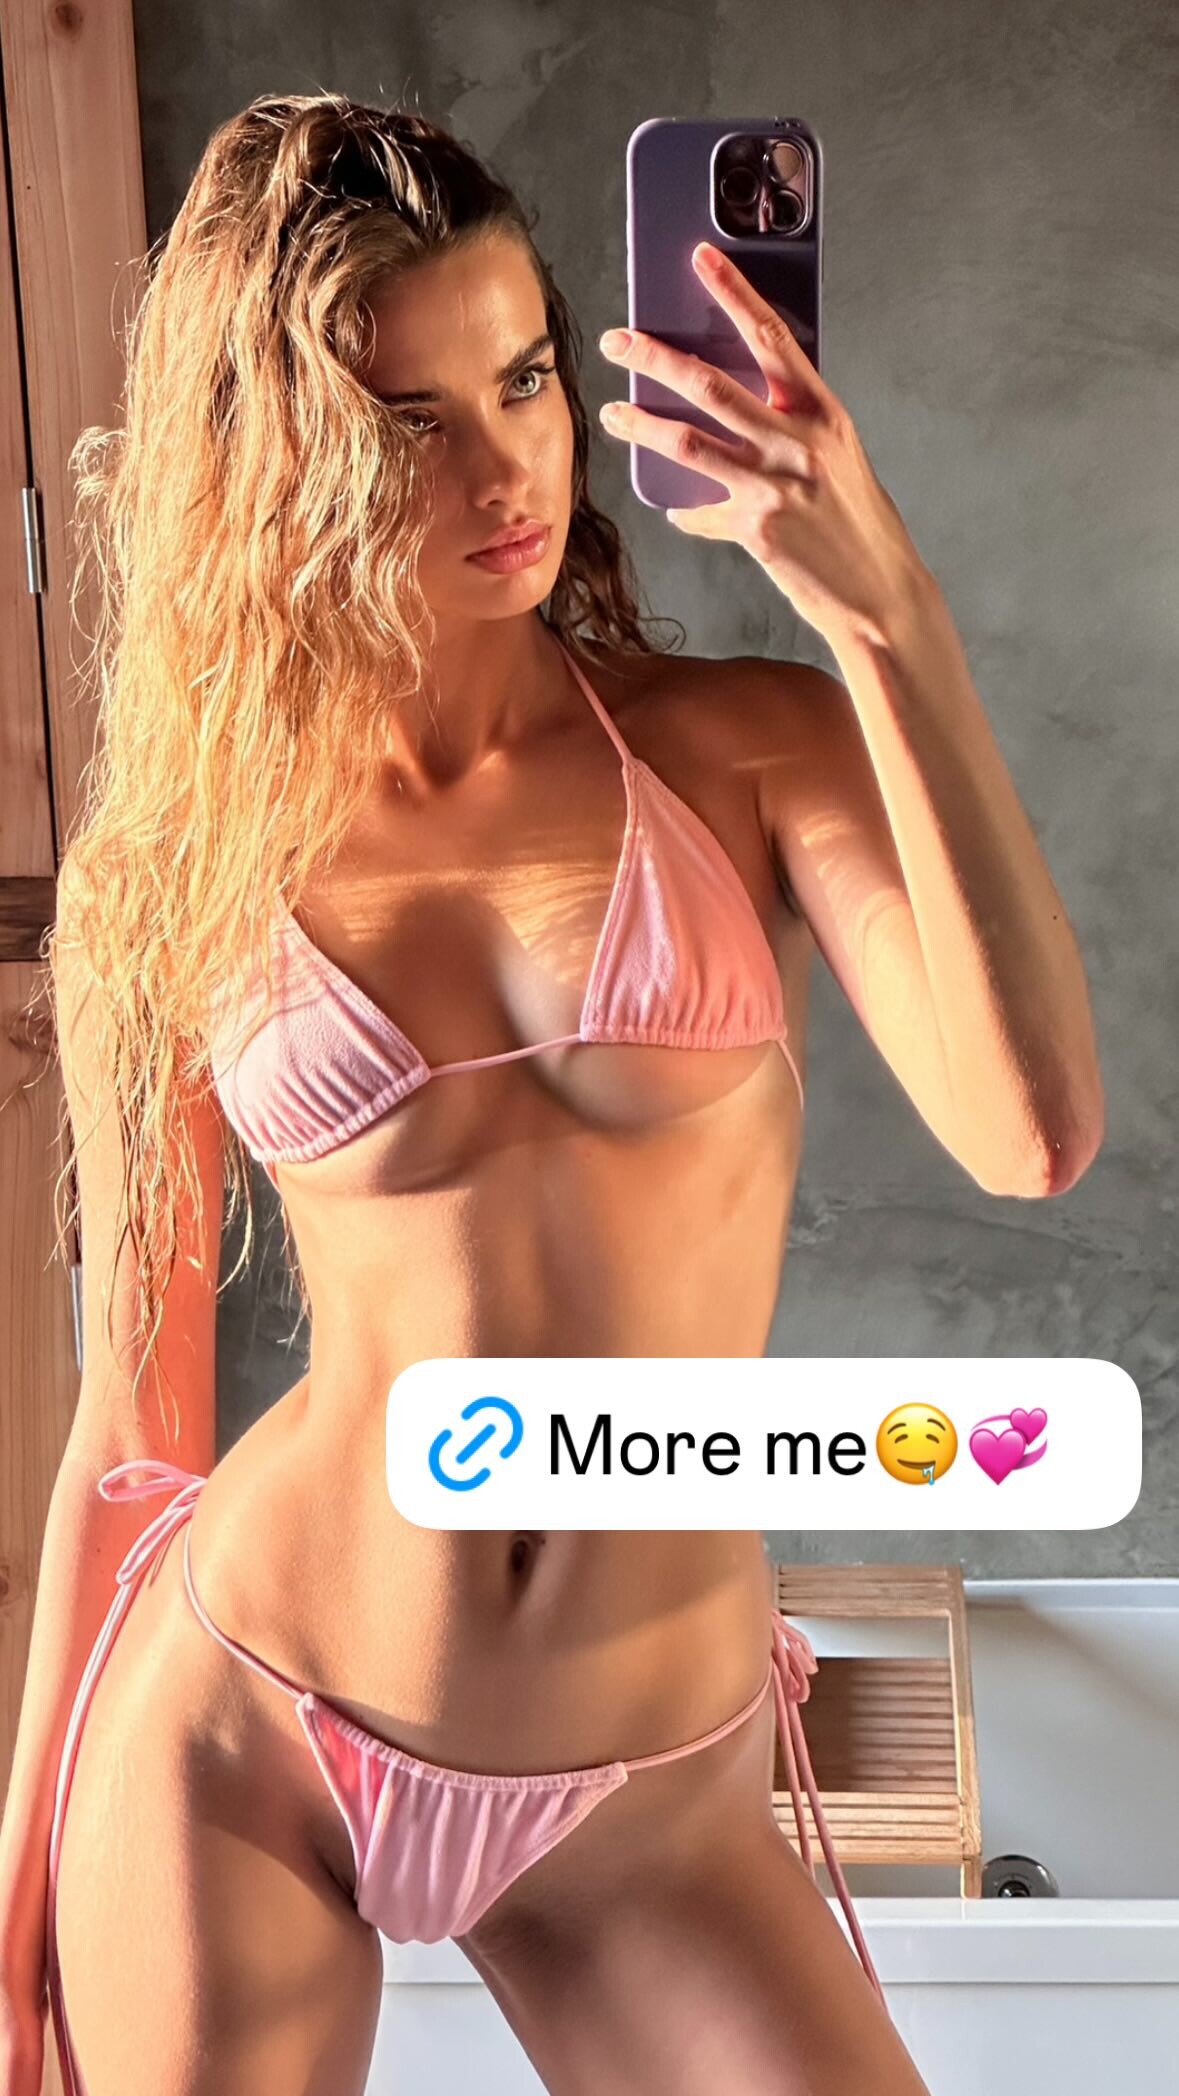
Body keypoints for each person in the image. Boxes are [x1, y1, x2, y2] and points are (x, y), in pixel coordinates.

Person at [0, 94, 1102, 2096]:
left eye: (522, 378)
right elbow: (131, 1430)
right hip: (247, 1724)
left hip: (646, 1789)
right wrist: (15, 1872)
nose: (506, 465)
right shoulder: (169, 869)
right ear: (281, 456)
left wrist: (882, 610)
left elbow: (1028, 1133)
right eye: (411, 421)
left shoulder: (746, 751)